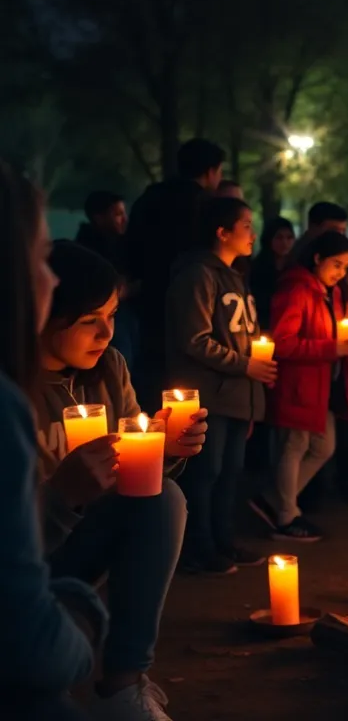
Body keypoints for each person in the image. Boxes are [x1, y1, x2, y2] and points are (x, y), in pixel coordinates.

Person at [37, 241, 207, 720]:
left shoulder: (107, 369)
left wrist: (165, 450)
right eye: (90, 319)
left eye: (113, 315)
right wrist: (59, 496)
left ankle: (122, 685)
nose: (108, 333)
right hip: (27, 560)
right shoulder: (15, 388)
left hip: (87, 543)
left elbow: (135, 460)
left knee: (164, 497)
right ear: (45, 311)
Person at [0, 162, 108, 721]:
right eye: (43, 259)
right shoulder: (9, 406)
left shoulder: (108, 370)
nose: (54, 279)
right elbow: (27, 635)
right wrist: (86, 618)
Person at [167, 196, 274, 575]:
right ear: (222, 231)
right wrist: (246, 365)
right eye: (246, 225)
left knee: (230, 472)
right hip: (210, 392)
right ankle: (199, 547)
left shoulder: (236, 276)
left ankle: (224, 541)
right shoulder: (198, 274)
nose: (253, 233)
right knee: (205, 473)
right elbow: (193, 339)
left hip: (237, 394)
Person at [249, 231, 348, 542]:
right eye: (336, 264)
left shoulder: (328, 292)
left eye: (346, 267)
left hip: (322, 385)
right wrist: (330, 349)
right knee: (293, 446)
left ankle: (274, 500)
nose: (341, 273)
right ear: (317, 259)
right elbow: (282, 343)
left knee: (323, 446)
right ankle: (285, 516)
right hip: (298, 384)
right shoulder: (297, 289)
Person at [125, 138, 226, 408]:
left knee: (152, 379)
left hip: (148, 300)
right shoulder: (205, 206)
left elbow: (130, 248)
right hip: (192, 302)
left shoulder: (148, 199)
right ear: (211, 171)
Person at [293, 202, 348, 503]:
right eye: (334, 231)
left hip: (336, 360)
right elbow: (287, 339)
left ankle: (336, 485)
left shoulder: (336, 280)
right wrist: (330, 347)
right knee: (300, 443)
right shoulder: (300, 279)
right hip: (310, 370)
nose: (341, 272)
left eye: (343, 230)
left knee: (334, 433)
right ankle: (292, 503)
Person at [77, 190, 137, 364]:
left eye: (124, 213)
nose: (124, 219)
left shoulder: (122, 245)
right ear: (98, 217)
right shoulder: (89, 251)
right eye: (118, 214)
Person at [249, 216, 296, 324]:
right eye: (279, 238)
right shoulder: (257, 268)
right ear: (269, 239)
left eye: (289, 238)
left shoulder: (295, 268)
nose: (285, 243)